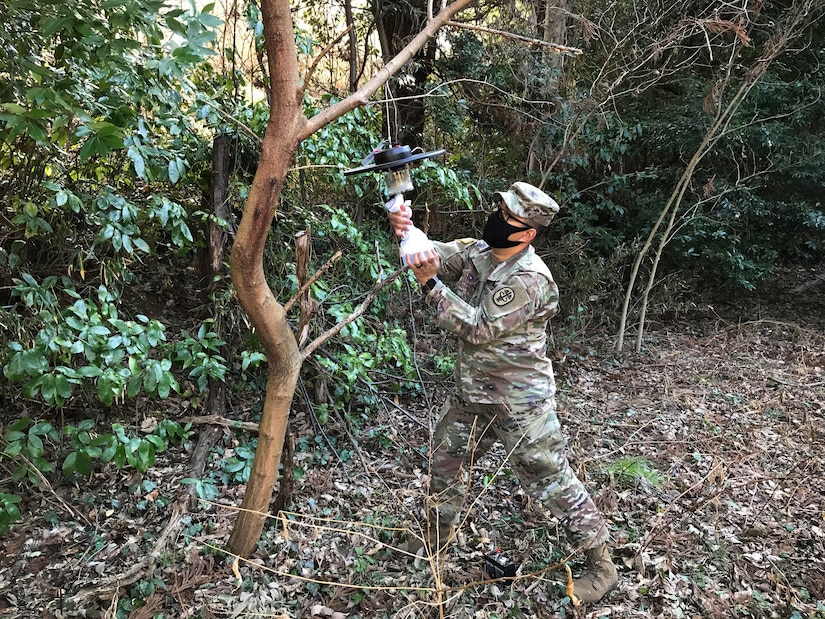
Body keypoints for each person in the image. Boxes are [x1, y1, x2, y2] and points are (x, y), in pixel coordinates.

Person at [387, 181, 618, 604]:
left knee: (550, 479)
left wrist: (430, 284)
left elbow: (477, 327)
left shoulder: (531, 279)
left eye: (508, 217)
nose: (497, 219)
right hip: (472, 394)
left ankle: (602, 567)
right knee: (445, 464)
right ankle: (434, 542)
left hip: (519, 403)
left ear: (527, 233)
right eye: (500, 209)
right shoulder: (480, 250)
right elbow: (434, 253)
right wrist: (406, 230)